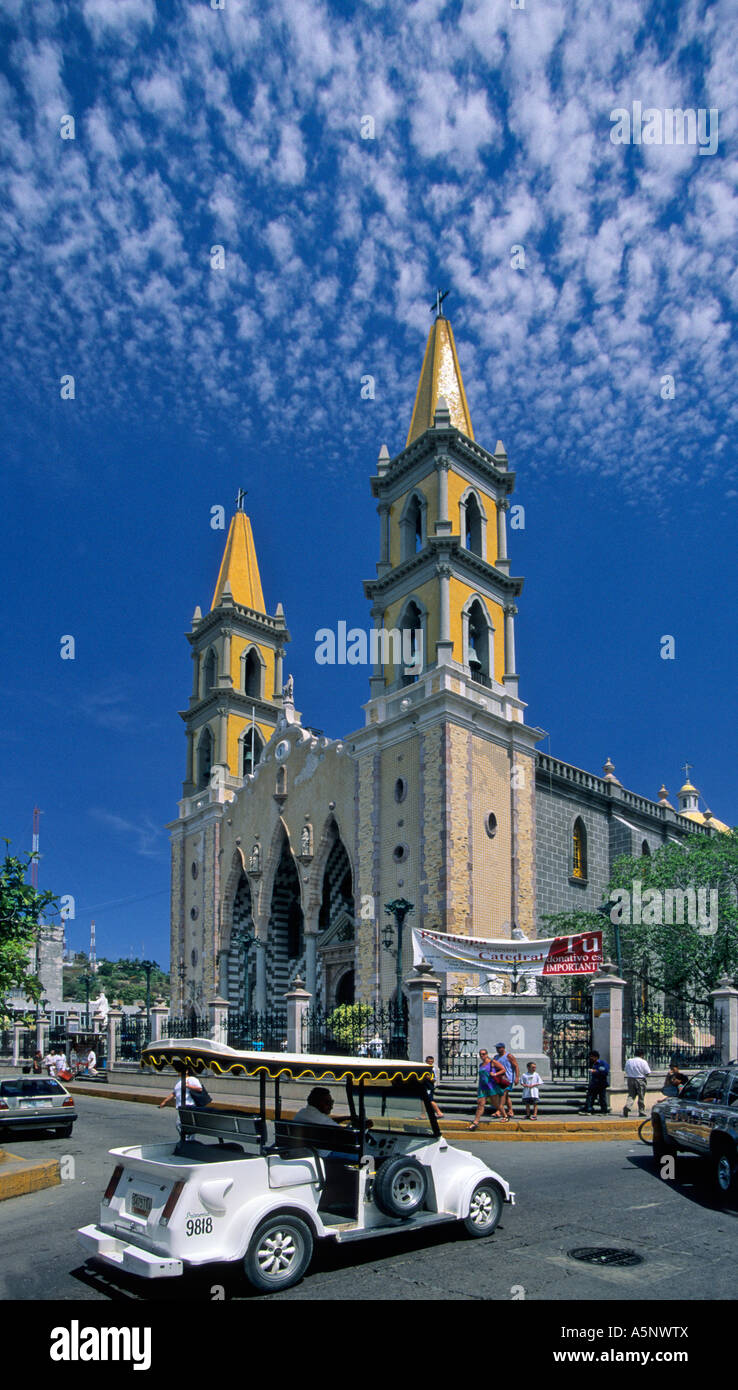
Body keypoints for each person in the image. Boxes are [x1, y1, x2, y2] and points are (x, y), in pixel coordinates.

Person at [468, 1048, 507, 1129]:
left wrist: (495, 1074)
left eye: (483, 1054)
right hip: (482, 1087)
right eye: (480, 1054)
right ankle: (476, 1122)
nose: (482, 1056)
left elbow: (503, 1069)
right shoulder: (481, 1065)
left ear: (486, 1054)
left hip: (491, 1086)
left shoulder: (492, 1062)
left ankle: (505, 1115)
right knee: (480, 1104)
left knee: (495, 1103)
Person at [494, 1042, 520, 1118]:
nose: (497, 1050)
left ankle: (499, 1111)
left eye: (499, 1048)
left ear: (503, 1048)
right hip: (499, 1079)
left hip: (507, 1078)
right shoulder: (496, 1057)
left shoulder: (509, 1056)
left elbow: (516, 1066)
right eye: (497, 1048)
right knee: (505, 1096)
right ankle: (510, 1111)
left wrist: (517, 1077)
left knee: (502, 1095)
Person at [623, 1051, 651, 1116]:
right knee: (641, 1096)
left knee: (631, 1095)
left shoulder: (629, 1061)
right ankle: (641, 1111)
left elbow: (626, 1070)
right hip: (640, 1079)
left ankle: (628, 1106)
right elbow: (647, 1072)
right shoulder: (643, 1062)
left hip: (630, 1079)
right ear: (642, 1055)